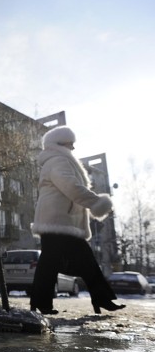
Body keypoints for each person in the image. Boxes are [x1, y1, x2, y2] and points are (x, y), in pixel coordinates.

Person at [29, 126, 125, 315]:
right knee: (53, 262)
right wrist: (97, 203)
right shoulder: (58, 160)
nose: (73, 147)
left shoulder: (60, 160)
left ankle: (101, 299)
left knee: (79, 262)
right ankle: (42, 303)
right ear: (59, 144)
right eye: (70, 143)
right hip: (57, 220)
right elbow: (71, 187)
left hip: (64, 221)